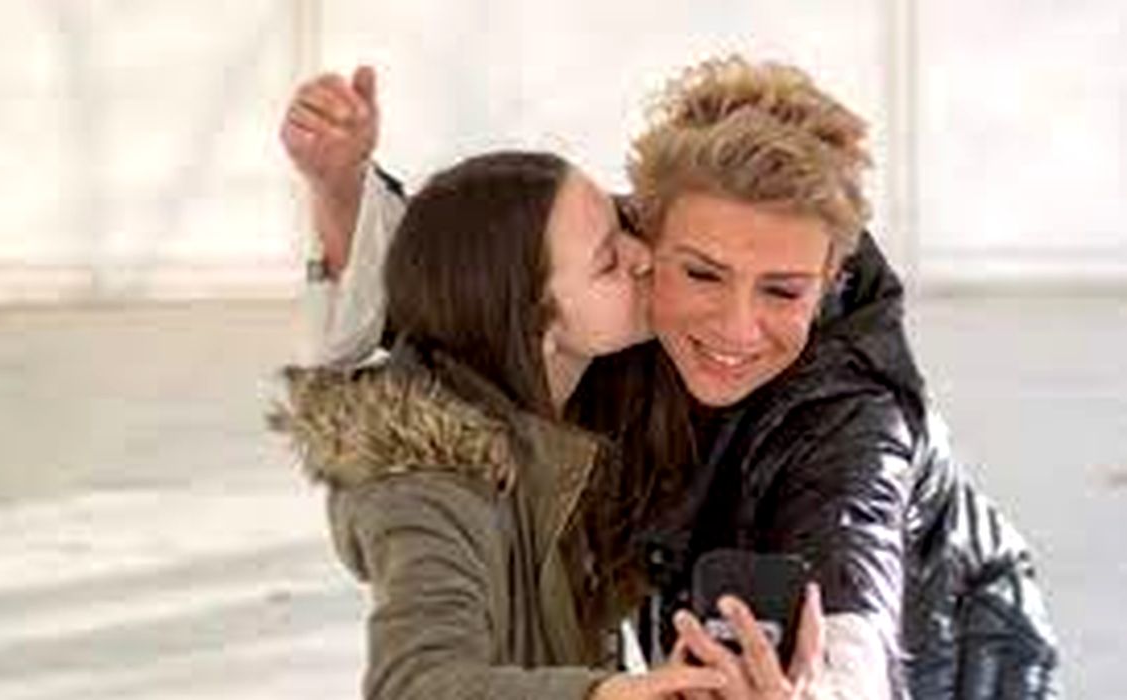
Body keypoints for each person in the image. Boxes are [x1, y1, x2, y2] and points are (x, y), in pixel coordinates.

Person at [284, 58, 1061, 698]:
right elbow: (473, 271)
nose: (736, 328)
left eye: (783, 291)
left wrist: (821, 689)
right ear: (646, 230)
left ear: (830, 277)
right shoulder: (611, 254)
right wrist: (339, 187)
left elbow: (853, 562)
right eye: (701, 274)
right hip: (708, 604)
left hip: (950, 642)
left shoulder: (851, 417)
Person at [272, 150, 826, 699]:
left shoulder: (567, 421)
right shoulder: (425, 491)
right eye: (608, 262)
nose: (643, 257)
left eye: (623, 228)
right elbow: (414, 685)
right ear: (535, 319)